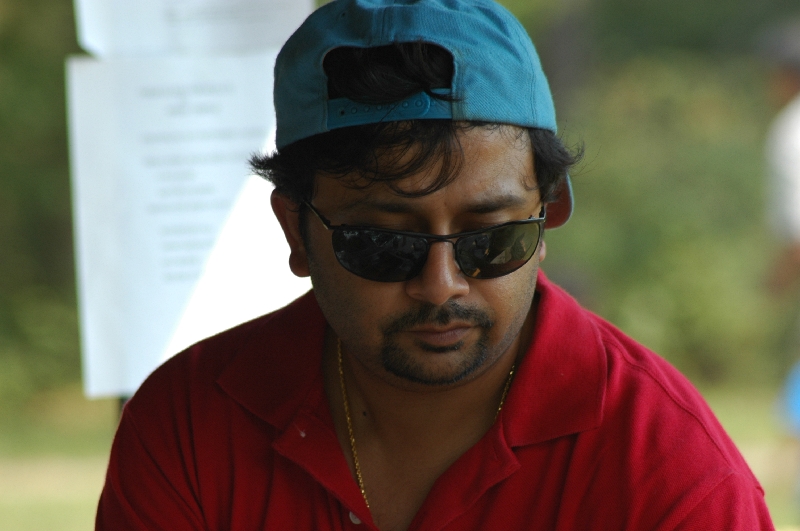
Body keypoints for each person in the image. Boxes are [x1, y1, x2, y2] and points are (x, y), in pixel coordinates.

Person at [96, 1, 774, 529]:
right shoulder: (191, 426)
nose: (441, 285)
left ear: (548, 215)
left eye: (490, 240)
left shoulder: (667, 467)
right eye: (384, 244)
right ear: (294, 229)